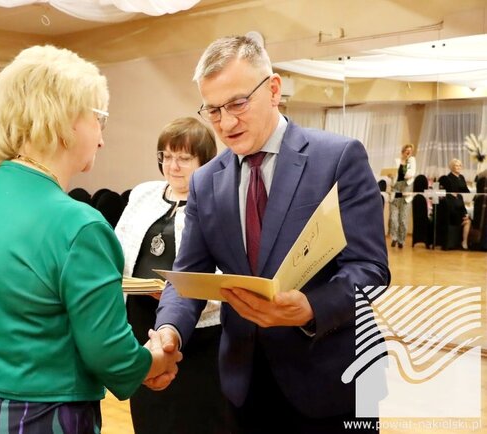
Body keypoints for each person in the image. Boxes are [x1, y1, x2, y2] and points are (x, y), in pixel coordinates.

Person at [0, 45, 181, 434]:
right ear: (66, 121)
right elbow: (111, 357)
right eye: (99, 119)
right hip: (36, 416)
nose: (101, 138)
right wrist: (155, 360)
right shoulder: (79, 226)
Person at [152, 35, 390, 433]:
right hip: (244, 387)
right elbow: (187, 276)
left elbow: (370, 269)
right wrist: (168, 331)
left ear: (274, 89)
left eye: (238, 104)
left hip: (332, 380)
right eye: (214, 110)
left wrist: (311, 307)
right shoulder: (205, 182)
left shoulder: (338, 158)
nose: (226, 123)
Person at [115, 117, 233, 434]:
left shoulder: (217, 201)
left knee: (193, 413)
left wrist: (175, 293)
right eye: (166, 156)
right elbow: (119, 246)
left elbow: (222, 271)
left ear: (204, 161)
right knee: (149, 409)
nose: (173, 166)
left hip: (197, 328)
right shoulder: (144, 194)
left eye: (183, 158)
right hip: (140, 317)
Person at [439, 158, 471, 249]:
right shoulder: (448, 178)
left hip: (459, 200)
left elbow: (466, 190)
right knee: (465, 219)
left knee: (467, 218)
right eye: (456, 166)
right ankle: (463, 242)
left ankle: (464, 242)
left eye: (460, 165)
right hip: (451, 204)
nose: (459, 167)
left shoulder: (461, 177)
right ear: (452, 167)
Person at [388, 144, 416, 248]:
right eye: (407, 151)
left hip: (406, 191)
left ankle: (401, 240)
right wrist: (391, 175)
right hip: (396, 190)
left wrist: (408, 161)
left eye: (410, 151)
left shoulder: (412, 161)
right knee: (393, 218)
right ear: (403, 151)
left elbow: (410, 174)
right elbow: (394, 175)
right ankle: (394, 238)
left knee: (403, 220)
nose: (408, 152)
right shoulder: (396, 161)